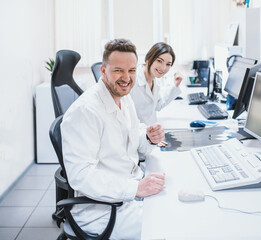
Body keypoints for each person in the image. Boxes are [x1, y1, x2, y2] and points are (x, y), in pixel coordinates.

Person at [61, 38, 166, 240]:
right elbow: (81, 175)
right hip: (102, 208)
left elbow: (132, 138)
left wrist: (149, 137)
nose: (126, 78)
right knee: (166, 227)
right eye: (118, 70)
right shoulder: (86, 111)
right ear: (103, 71)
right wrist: (135, 188)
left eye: (132, 70)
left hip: (128, 192)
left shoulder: (124, 98)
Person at [130, 42, 183, 126]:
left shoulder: (155, 80)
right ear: (148, 59)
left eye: (168, 64)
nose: (163, 68)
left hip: (150, 133)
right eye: (159, 61)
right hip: (136, 134)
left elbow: (158, 105)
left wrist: (175, 85)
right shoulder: (133, 80)